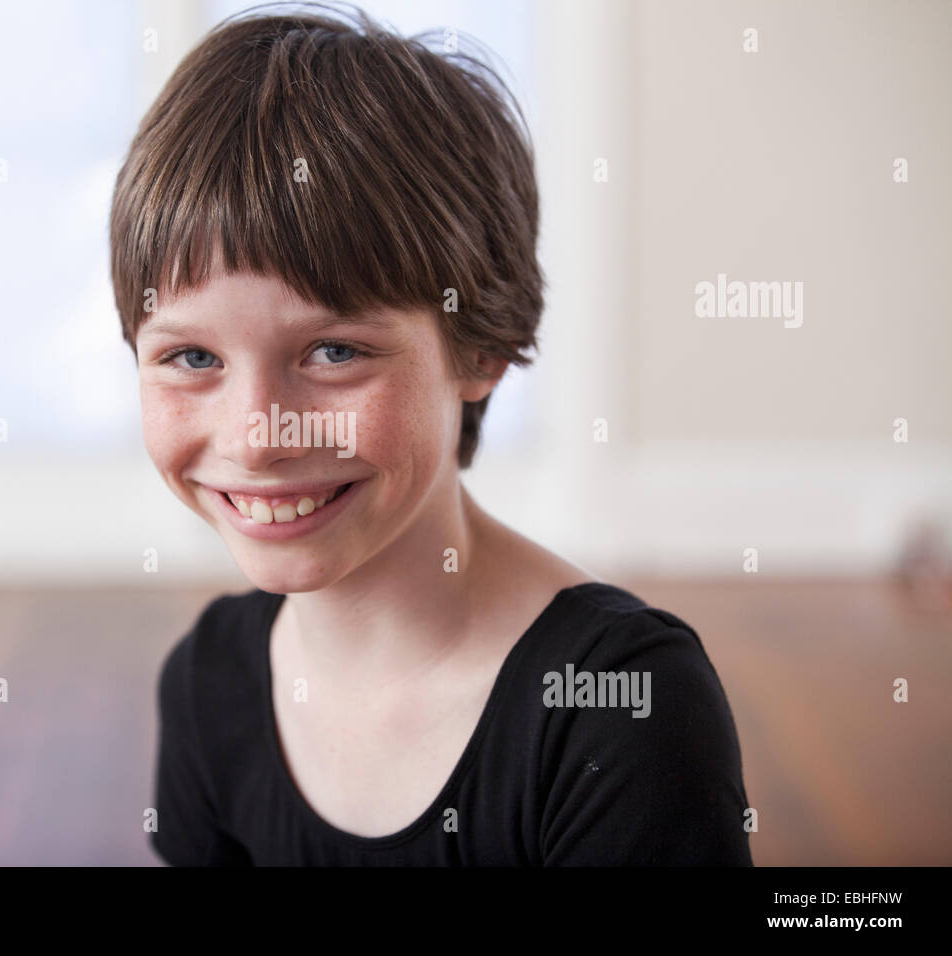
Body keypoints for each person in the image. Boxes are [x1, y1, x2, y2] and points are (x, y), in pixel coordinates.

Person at [109, 2, 753, 865]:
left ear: (479, 345)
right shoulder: (207, 684)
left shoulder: (618, 705)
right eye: (191, 357)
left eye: (333, 351)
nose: (258, 437)